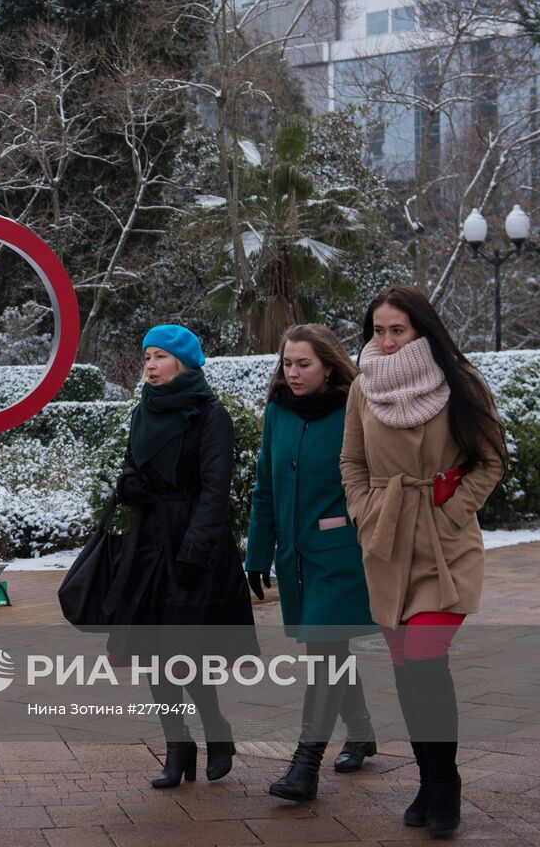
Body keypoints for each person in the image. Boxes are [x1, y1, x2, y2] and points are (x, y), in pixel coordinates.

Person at [340, 286, 506, 839]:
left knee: (427, 660)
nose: (385, 341)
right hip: (386, 544)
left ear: (421, 330)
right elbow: (352, 462)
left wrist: (454, 511)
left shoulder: (461, 382)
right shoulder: (363, 388)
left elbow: (491, 459)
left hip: (445, 543)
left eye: (398, 330)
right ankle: (429, 781)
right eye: (378, 330)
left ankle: (446, 785)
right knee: (407, 671)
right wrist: (366, 513)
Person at [108, 324, 257, 789]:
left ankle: (216, 730)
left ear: (184, 363)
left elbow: (216, 490)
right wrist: (128, 483)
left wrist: (196, 548)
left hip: (194, 545)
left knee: (183, 653)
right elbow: (133, 465)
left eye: (160, 356)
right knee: (154, 653)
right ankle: (177, 745)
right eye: (147, 356)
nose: (150, 365)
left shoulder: (211, 415)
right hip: (150, 542)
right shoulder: (142, 413)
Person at [245, 324, 380, 802]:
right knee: (332, 648)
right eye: (287, 363)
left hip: (341, 556)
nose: (294, 372)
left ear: (328, 365)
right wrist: (257, 552)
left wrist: (347, 522)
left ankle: (305, 765)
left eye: (304, 363)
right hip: (294, 558)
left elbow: (371, 478)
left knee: (324, 650)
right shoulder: (278, 412)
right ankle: (361, 731)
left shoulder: (354, 409)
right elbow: (265, 485)